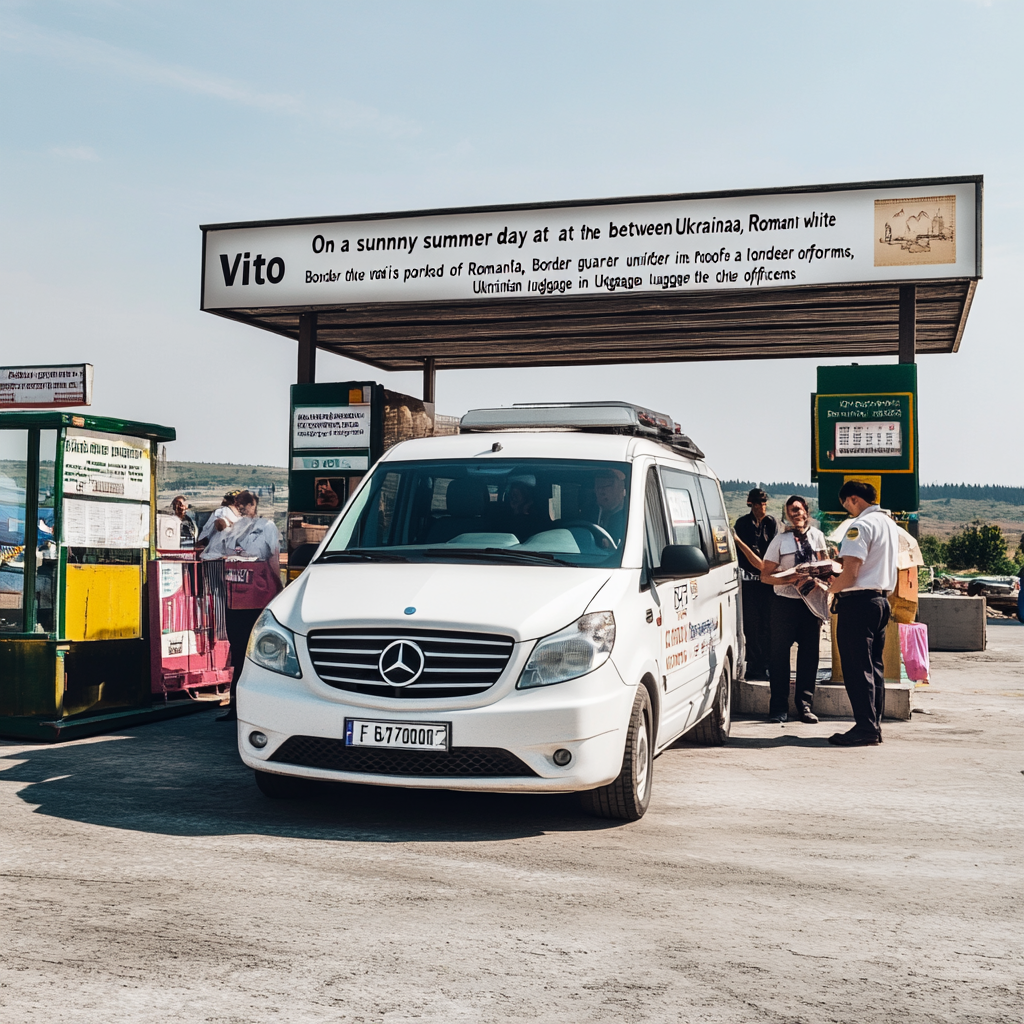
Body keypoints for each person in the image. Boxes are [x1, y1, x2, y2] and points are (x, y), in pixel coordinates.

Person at [826, 480, 901, 746]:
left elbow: (851, 572)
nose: (847, 509)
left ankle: (865, 729)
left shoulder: (860, 526)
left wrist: (829, 589)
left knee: (857, 669)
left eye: (846, 503)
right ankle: (873, 725)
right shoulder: (889, 524)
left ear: (854, 499)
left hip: (858, 603)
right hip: (880, 602)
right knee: (873, 668)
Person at [202, 491, 282, 721]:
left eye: (241, 503)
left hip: (251, 597)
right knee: (242, 654)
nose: (238, 507)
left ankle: (250, 706)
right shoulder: (237, 528)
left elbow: (273, 560)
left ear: (251, 504)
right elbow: (214, 553)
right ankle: (239, 707)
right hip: (241, 599)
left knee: (250, 653)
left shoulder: (265, 526)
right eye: (236, 503)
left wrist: (277, 589)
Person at [760, 495, 829, 724]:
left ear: (806, 511)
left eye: (798, 509)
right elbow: (765, 576)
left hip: (811, 604)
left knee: (809, 656)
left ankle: (805, 706)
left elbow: (825, 565)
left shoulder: (818, 537)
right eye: (790, 511)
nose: (795, 514)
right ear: (786, 515)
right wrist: (789, 579)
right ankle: (778, 707)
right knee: (779, 656)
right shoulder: (780, 540)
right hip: (784, 605)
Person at [733, 488, 778, 681]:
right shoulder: (743, 524)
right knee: (752, 626)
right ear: (751, 504)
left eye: (764, 503)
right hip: (750, 582)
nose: (762, 507)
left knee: (768, 625)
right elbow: (749, 558)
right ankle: (754, 665)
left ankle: (768, 665)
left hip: (767, 581)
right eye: (759, 503)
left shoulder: (771, 523)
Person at [593, 469, 627, 546]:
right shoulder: (589, 515)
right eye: (598, 486)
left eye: (607, 485)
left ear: (621, 490)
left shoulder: (629, 518)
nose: (600, 490)